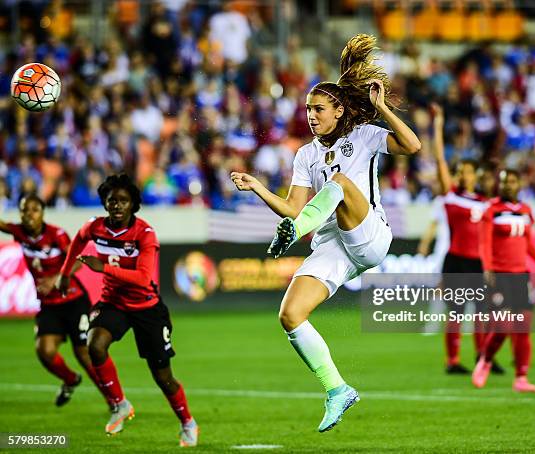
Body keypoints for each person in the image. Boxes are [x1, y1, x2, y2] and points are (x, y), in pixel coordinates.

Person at [231, 34, 421, 432]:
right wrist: (258, 187)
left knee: (339, 184)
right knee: (290, 314)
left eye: (318, 109)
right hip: (333, 242)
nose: (311, 116)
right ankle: (337, 389)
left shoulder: (364, 136)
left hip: (370, 236)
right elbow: (294, 207)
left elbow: (412, 145)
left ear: (338, 110)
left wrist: (382, 107)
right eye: (308, 110)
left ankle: (292, 235)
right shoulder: (306, 154)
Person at [58, 174, 198, 446]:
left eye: (123, 201)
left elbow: (144, 278)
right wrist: (65, 273)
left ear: (134, 204)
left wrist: (104, 268)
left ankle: (187, 422)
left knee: (163, 377)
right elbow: (78, 239)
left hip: (147, 307)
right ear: (104, 203)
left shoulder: (144, 234)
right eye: (112, 201)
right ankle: (119, 404)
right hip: (114, 303)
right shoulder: (95, 227)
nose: (117, 206)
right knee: (95, 345)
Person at [0, 194, 105, 407]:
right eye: (24, 209)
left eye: (34, 209)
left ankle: (114, 400)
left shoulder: (56, 234)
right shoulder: (18, 232)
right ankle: (70, 380)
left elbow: (76, 261)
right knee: (45, 351)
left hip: (73, 300)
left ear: (42, 213)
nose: (29, 214)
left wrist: (56, 279)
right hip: (49, 305)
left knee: (84, 354)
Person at [430, 105, 504, 375]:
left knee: (483, 313)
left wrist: (489, 266)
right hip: (456, 261)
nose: (463, 175)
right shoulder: (450, 196)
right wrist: (438, 125)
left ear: (476, 176)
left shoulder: (485, 203)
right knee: (457, 313)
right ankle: (453, 361)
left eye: (468, 172)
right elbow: (439, 160)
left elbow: (486, 238)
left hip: (477, 264)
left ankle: (483, 358)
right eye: (460, 171)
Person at [472, 169, 535, 392]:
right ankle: (485, 360)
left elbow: (528, 244)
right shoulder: (493, 210)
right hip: (500, 275)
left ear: (520, 184)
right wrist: (487, 268)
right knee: (504, 325)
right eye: (505, 182)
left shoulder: (526, 210)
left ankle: (521, 378)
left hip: (520, 275)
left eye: (513, 182)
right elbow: (484, 243)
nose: (508, 185)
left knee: (523, 328)